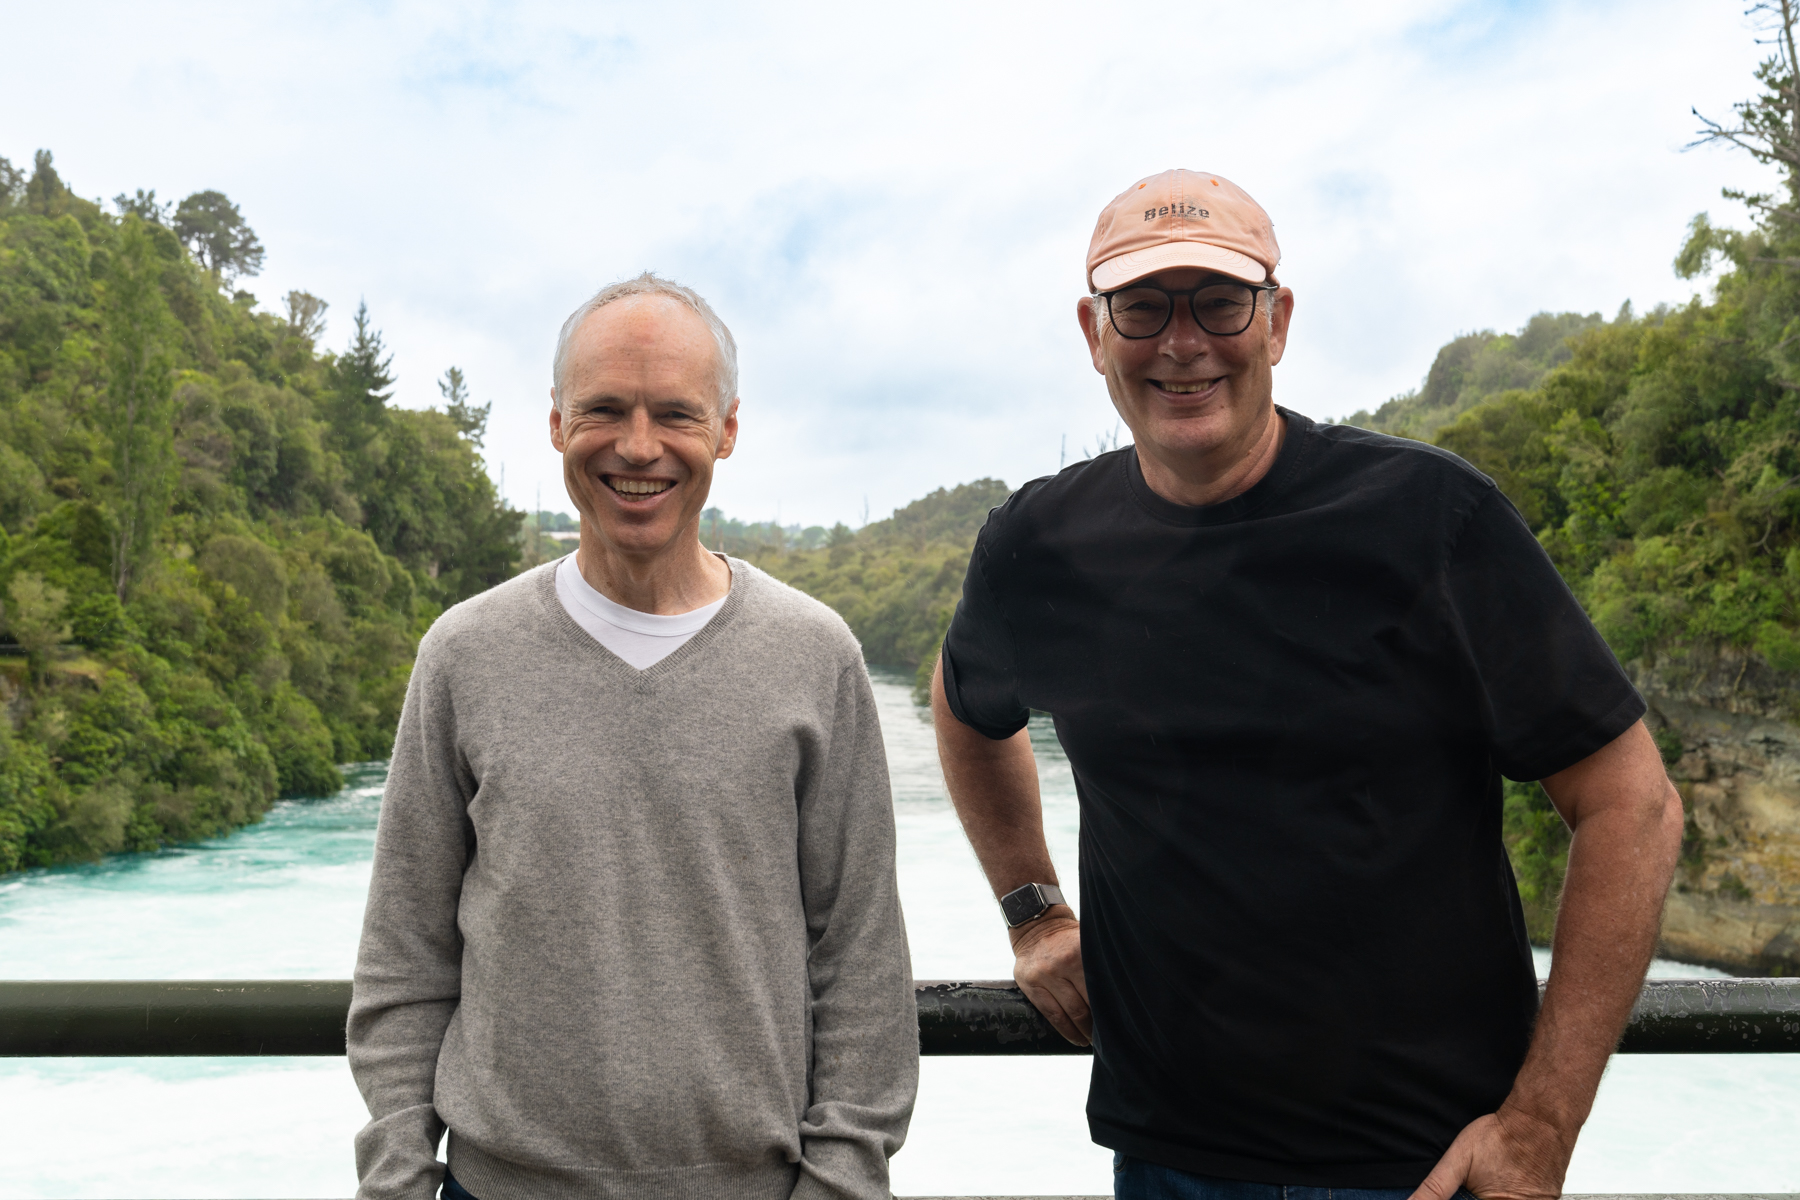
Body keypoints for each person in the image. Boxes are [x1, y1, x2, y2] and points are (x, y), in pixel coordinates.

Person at [931, 170, 1684, 1200]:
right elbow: (969, 709)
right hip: (1166, 1157)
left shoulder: (1429, 520)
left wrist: (1542, 1123)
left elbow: (1631, 804)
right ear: (1094, 332)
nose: (1183, 341)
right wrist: (1032, 910)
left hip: (1422, 1164)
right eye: (1143, 306)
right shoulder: (1041, 545)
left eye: (1222, 301)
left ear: (1276, 321)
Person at [348, 273, 917, 1200]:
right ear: (556, 424)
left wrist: (841, 1183)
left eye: (676, 415)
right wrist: (402, 1179)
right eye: (605, 409)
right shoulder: (465, 654)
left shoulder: (815, 657)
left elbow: (860, 959)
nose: (639, 447)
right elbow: (405, 954)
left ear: (727, 429)